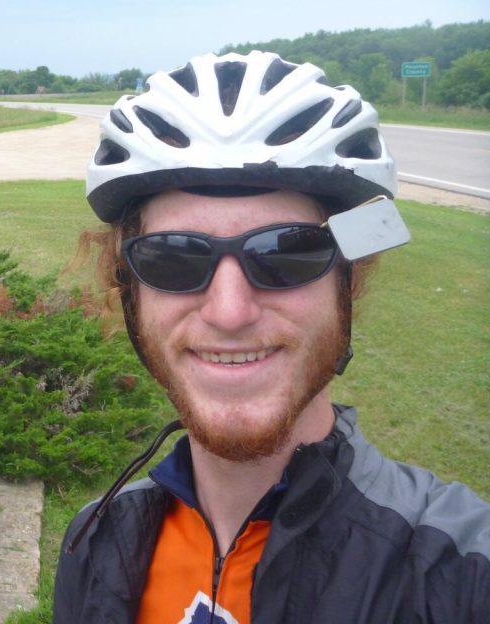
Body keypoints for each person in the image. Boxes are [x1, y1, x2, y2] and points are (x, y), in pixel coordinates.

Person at [53, 51, 490, 623]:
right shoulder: (94, 538)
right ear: (129, 291)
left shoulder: (458, 570)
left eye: (288, 252)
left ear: (348, 281)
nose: (230, 312)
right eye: (173, 258)